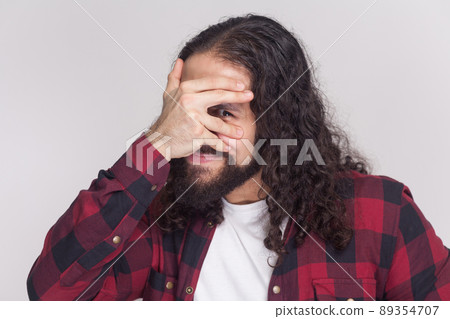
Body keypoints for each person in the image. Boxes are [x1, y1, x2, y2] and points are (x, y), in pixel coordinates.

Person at [27, 14, 450, 301]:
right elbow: (51, 295)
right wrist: (154, 143)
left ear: (276, 120)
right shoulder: (157, 218)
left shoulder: (382, 213)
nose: (196, 133)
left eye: (224, 113)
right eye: (185, 111)